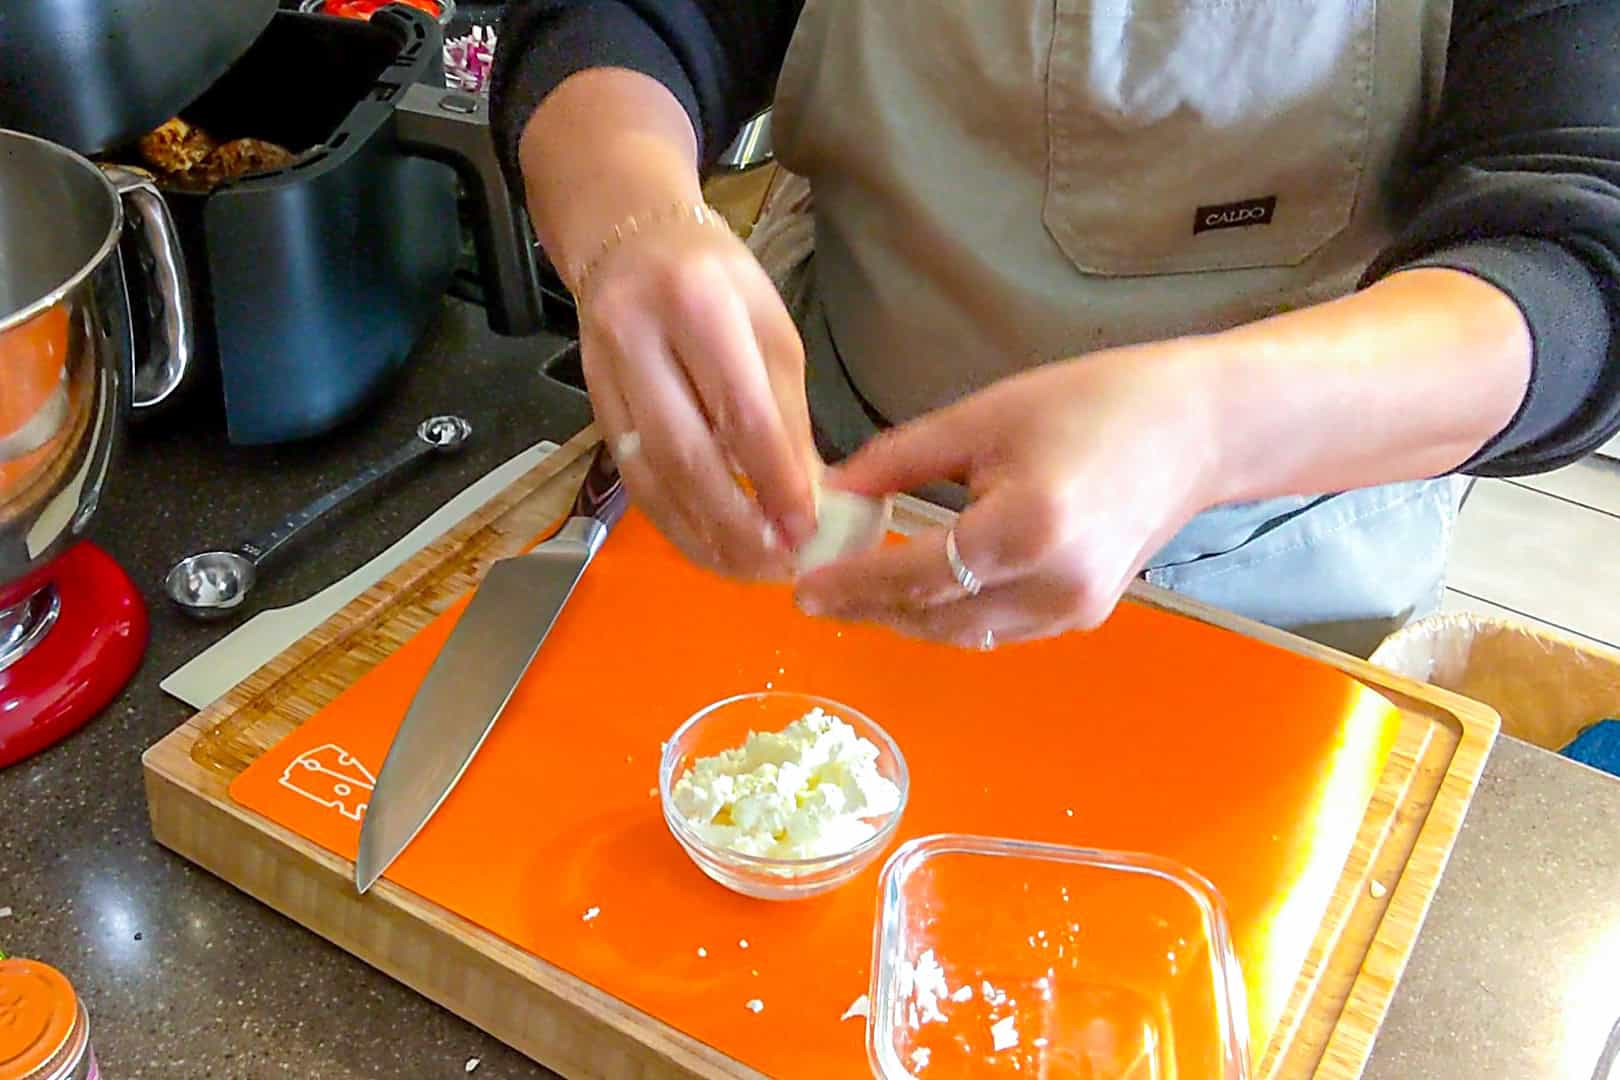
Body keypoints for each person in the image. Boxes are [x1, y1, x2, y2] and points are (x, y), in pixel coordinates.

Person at [491, 1, 1620, 656]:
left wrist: (1210, 428)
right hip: (829, 502)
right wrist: (623, 217)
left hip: (1274, 582)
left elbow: (1576, 249)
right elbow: (621, 18)